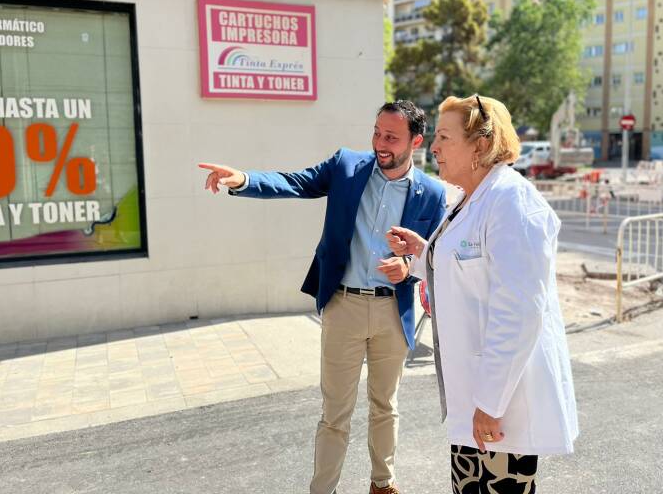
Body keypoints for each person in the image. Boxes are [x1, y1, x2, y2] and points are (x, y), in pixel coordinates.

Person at [199, 100, 446, 494]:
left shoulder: (432, 193)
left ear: (415, 141)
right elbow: (297, 182)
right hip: (344, 305)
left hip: (392, 311)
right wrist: (243, 179)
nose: (380, 143)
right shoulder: (347, 166)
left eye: (392, 137)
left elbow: (432, 254)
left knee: (386, 406)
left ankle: (383, 484)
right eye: (377, 132)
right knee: (335, 414)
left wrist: (408, 268)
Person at [386, 95, 578, 494]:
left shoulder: (512, 202)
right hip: (474, 400)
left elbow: (521, 311)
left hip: (500, 406)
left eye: (443, 137)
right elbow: (465, 271)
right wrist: (423, 252)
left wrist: (490, 404)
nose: (433, 147)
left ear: (480, 145)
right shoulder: (467, 200)